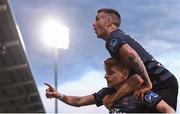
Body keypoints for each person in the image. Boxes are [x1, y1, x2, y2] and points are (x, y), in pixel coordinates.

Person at [92, 8, 178, 111]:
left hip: (161, 83)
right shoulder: (119, 36)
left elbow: (131, 54)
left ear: (109, 22)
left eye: (97, 19)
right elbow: (135, 77)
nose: (93, 24)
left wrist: (148, 83)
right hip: (163, 81)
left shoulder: (113, 38)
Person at [45, 58, 175, 113]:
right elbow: (78, 101)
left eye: (111, 73)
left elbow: (168, 110)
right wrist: (59, 95)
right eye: (106, 72)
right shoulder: (106, 93)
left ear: (125, 74)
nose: (106, 76)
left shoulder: (140, 93)